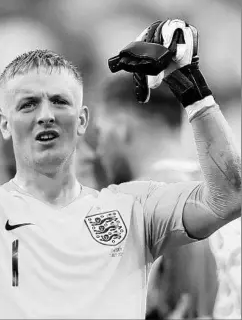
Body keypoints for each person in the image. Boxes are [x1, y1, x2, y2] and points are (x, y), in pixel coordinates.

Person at [0, 10, 240, 319]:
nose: (45, 116)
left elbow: (228, 197)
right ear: (4, 123)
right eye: (27, 105)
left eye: (59, 102)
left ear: (84, 121)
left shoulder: (135, 210)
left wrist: (189, 87)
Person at [92, 73, 219, 319]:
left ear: (121, 128)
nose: (99, 149)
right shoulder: (229, 197)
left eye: (99, 131)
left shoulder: (131, 207)